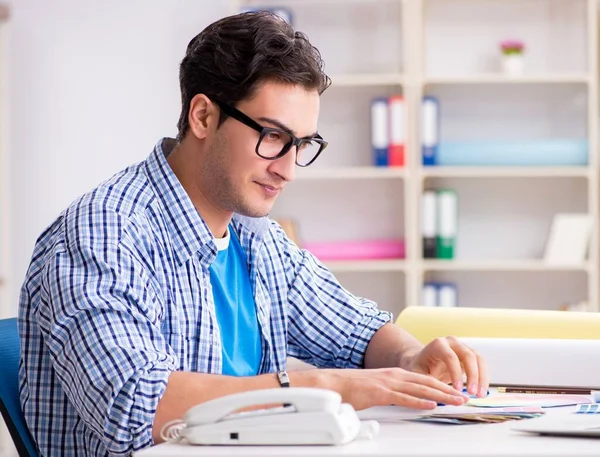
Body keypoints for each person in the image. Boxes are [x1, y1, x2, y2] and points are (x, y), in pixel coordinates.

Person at [18, 11, 488, 457]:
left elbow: (355, 330)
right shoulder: (102, 234)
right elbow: (134, 404)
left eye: (302, 145)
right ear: (203, 116)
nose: (287, 170)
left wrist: (410, 357)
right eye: (272, 136)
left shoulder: (255, 236)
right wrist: (322, 387)